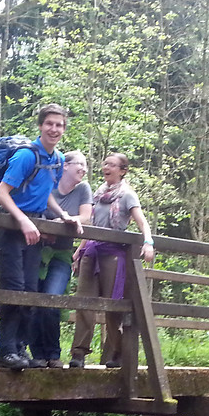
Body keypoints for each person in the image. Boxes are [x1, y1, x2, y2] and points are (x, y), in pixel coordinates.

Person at [0, 103, 83, 371]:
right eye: (49, 124)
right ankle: (6, 351)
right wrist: (22, 221)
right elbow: (1, 193)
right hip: (11, 227)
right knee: (15, 288)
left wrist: (63, 215)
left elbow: (47, 194)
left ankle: (20, 348)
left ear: (64, 129)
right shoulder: (26, 156)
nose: (54, 129)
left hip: (34, 227)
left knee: (31, 291)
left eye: (59, 125)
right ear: (41, 126)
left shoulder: (57, 159)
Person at [69, 153, 154, 368]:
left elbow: (141, 222)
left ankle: (117, 351)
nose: (107, 167)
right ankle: (78, 354)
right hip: (92, 251)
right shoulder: (97, 194)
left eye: (112, 165)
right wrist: (79, 251)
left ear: (123, 171)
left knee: (112, 308)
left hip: (113, 255)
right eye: (105, 163)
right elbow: (92, 224)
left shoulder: (127, 195)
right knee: (84, 301)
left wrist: (148, 243)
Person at [27, 150, 92, 368]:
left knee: (52, 299)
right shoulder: (49, 183)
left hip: (61, 255)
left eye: (85, 165)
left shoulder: (83, 189)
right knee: (35, 302)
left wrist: (70, 220)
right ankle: (37, 354)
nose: (83, 169)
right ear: (65, 165)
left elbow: (86, 216)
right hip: (37, 250)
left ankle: (53, 355)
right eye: (79, 164)